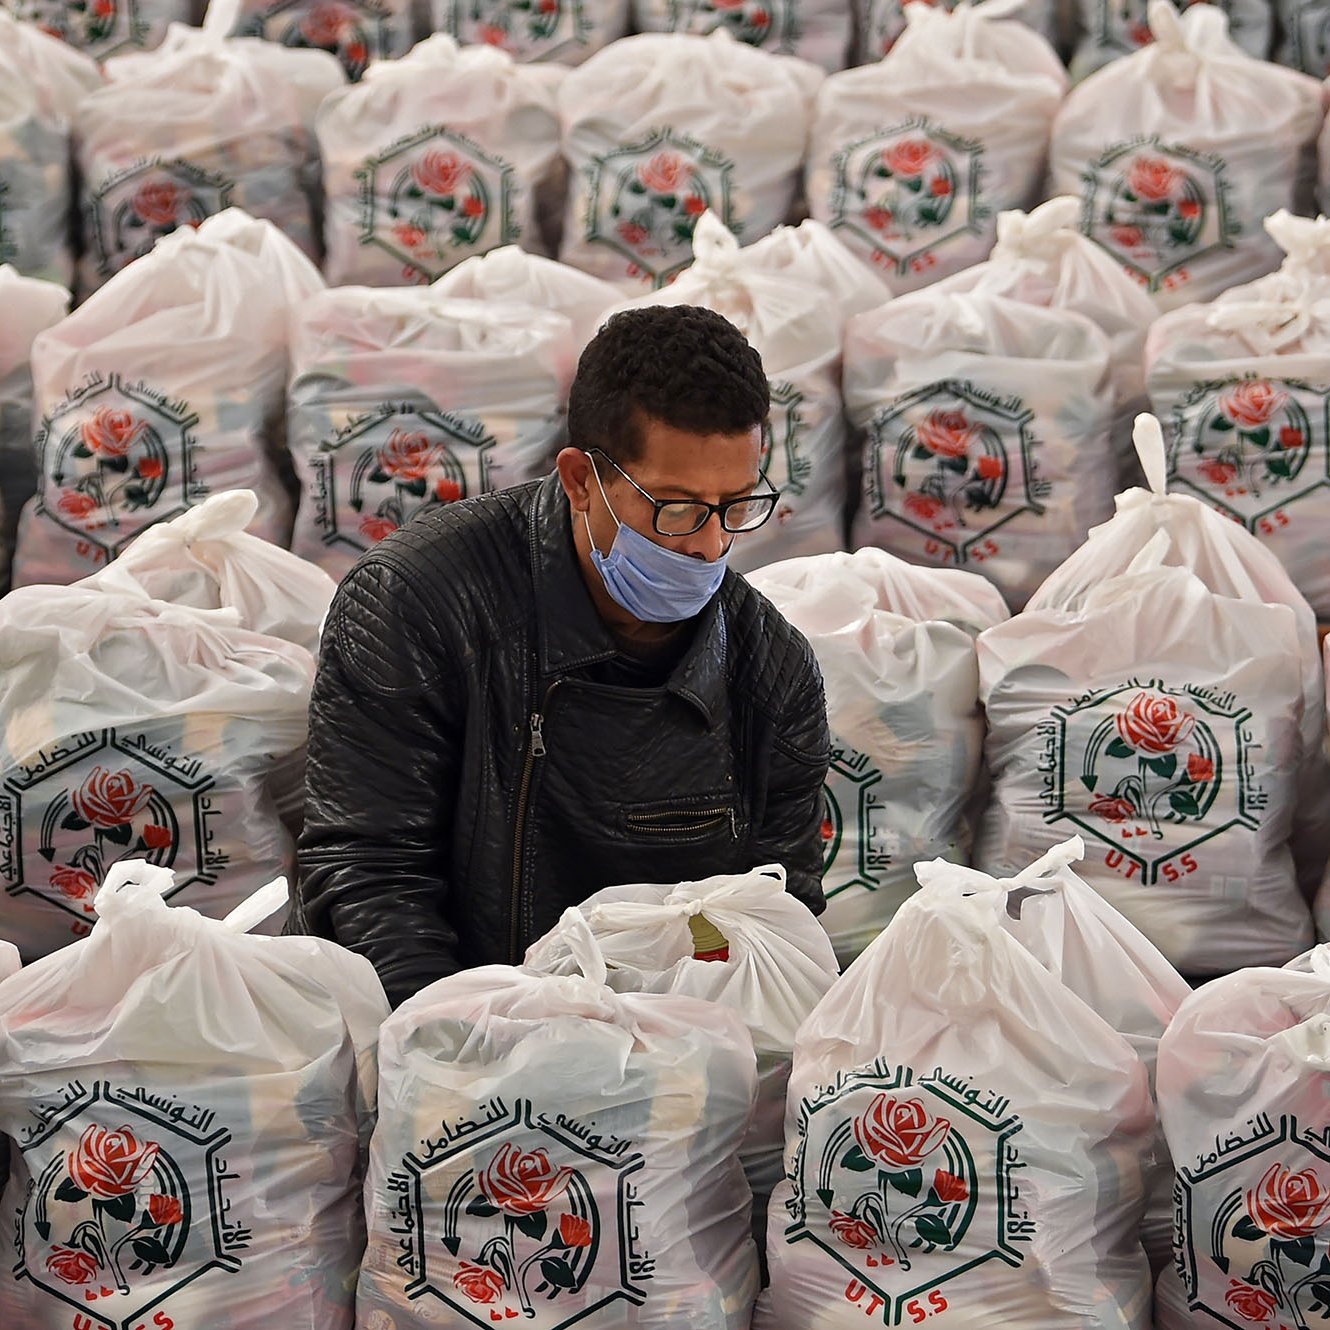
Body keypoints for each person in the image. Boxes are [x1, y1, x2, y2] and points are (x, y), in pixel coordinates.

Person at [294, 304, 830, 1007]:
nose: (708, 546)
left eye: (735, 506)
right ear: (581, 479)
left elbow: (775, 914)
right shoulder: (420, 603)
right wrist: (453, 1050)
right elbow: (370, 873)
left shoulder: (770, 672)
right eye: (675, 509)